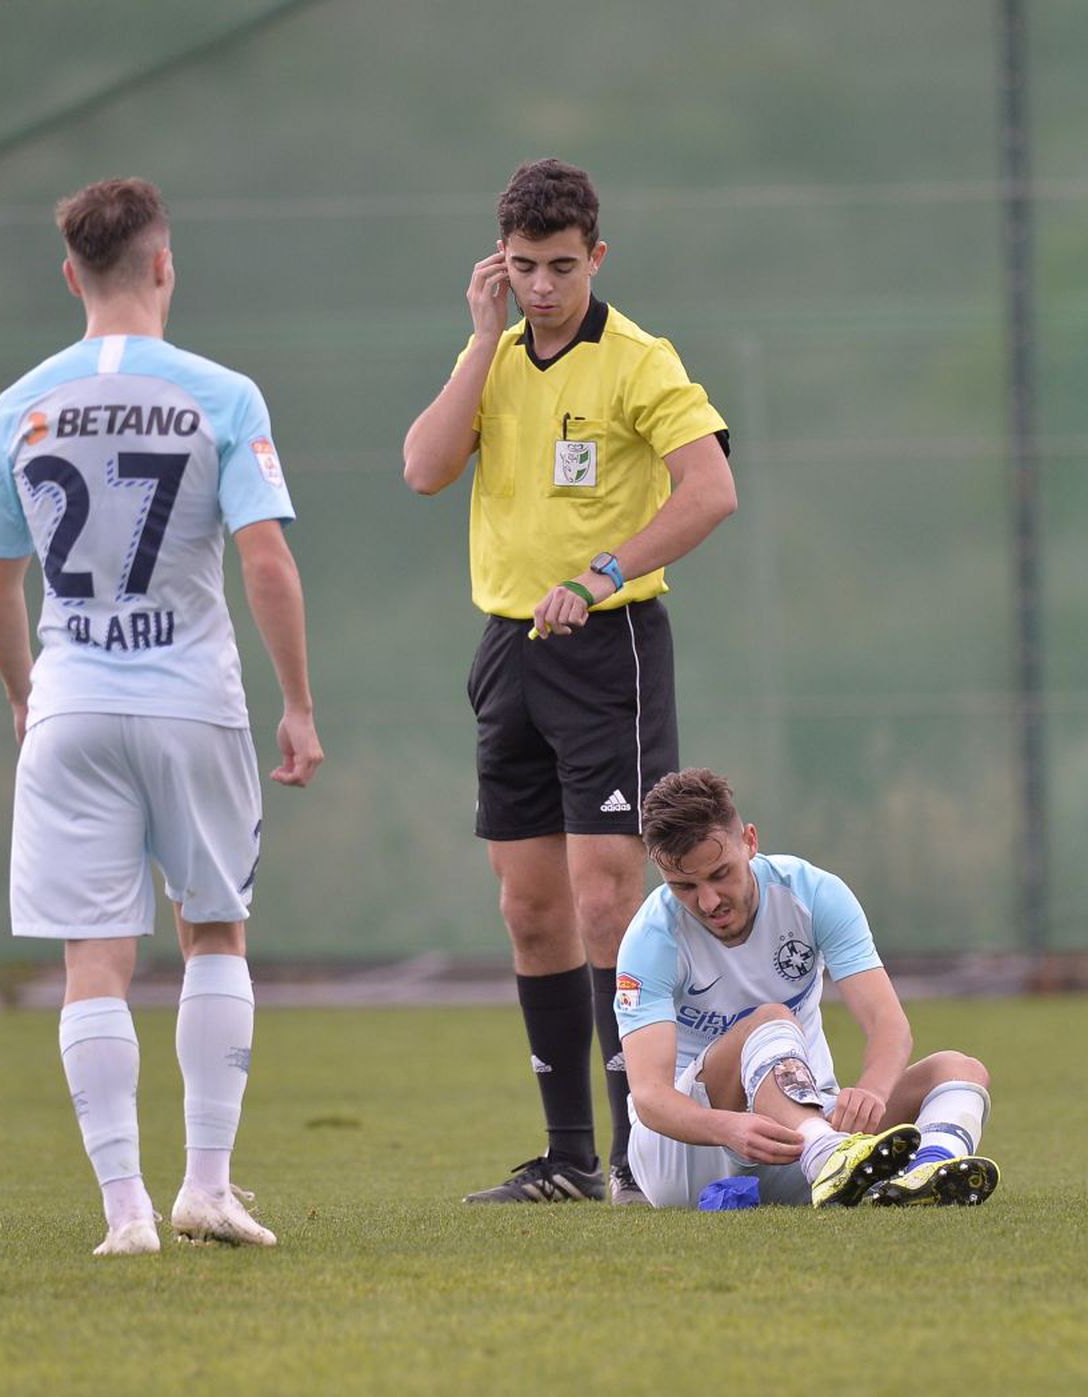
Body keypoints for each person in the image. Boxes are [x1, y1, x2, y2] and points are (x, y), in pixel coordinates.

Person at [0, 178, 323, 1255]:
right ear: (164, 266)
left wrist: (31, 700)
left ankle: (124, 1211)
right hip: (192, 707)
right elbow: (266, 559)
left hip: (72, 704)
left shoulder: (17, 403)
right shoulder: (224, 394)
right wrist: (298, 702)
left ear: (72, 275)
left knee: (94, 955)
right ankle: (204, 1186)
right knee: (213, 929)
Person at [403, 159, 737, 1204]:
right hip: (507, 655)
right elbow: (422, 467)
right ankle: (569, 1157)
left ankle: (645, 1151)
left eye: (559, 266)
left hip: (610, 648)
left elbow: (711, 489)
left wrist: (601, 573)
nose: (541, 287)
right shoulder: (494, 356)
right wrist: (474, 338)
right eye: (521, 268)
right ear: (498, 264)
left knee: (607, 894)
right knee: (531, 906)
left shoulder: (639, 359)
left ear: (596, 256)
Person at [616, 767, 1000, 1208]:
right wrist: (728, 1126)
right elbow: (649, 1097)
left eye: (720, 874)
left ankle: (926, 1175)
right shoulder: (651, 938)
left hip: (805, 1139)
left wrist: (871, 1093)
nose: (708, 901)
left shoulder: (814, 893)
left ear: (751, 842)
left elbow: (889, 1026)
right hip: (690, 1158)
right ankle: (830, 1156)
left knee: (958, 1069)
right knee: (772, 1018)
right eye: (684, 886)